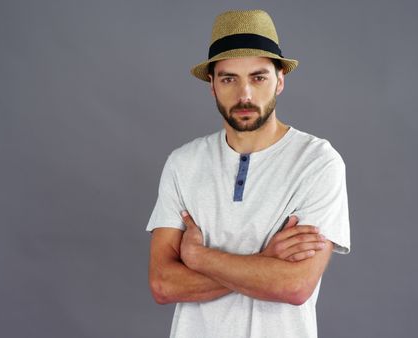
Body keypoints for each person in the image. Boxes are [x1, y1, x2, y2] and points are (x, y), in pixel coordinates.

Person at [146, 9, 350, 338]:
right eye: (229, 78)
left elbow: (294, 285)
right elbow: (163, 284)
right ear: (211, 84)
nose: (245, 95)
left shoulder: (317, 162)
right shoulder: (183, 163)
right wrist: (264, 261)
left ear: (280, 80)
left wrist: (197, 256)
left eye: (258, 77)